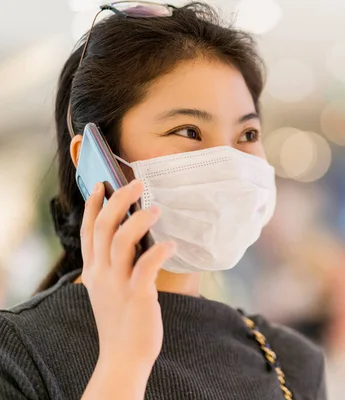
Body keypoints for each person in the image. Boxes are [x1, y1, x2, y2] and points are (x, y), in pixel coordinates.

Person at [0, 2, 326, 399]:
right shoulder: (16, 352)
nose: (230, 162)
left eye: (247, 135)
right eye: (188, 130)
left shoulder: (291, 362)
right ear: (95, 161)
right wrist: (123, 363)